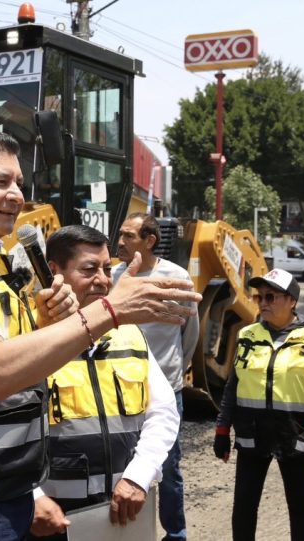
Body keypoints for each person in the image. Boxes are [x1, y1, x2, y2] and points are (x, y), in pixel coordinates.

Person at [0, 128, 201, 540]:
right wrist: (110, 311)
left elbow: (15, 373)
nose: (16, 195)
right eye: (1, 181)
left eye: (19, 182)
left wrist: (44, 327)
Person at [28, 225, 180, 539]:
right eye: (89, 269)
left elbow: (163, 413)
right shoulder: (28, 337)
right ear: (54, 272)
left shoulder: (129, 333)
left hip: (123, 515)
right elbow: (0, 433)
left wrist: (138, 477)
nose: (103, 280)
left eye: (107, 269)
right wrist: (32, 497)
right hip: (53, 520)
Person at [213, 268, 304, 541]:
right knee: (244, 505)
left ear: (292, 301)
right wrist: (222, 429)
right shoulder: (247, 335)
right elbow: (233, 387)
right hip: (252, 433)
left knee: (299, 505)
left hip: (296, 434)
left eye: (271, 297)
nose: (263, 303)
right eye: (259, 297)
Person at [112, 212, 200, 541]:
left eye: (129, 236)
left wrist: (173, 371)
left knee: (168, 467)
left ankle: (175, 532)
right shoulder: (114, 277)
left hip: (166, 389)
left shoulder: (174, 277)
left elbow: (190, 332)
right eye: (120, 235)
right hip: (122, 388)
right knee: (126, 465)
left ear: (150, 241)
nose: (120, 242)